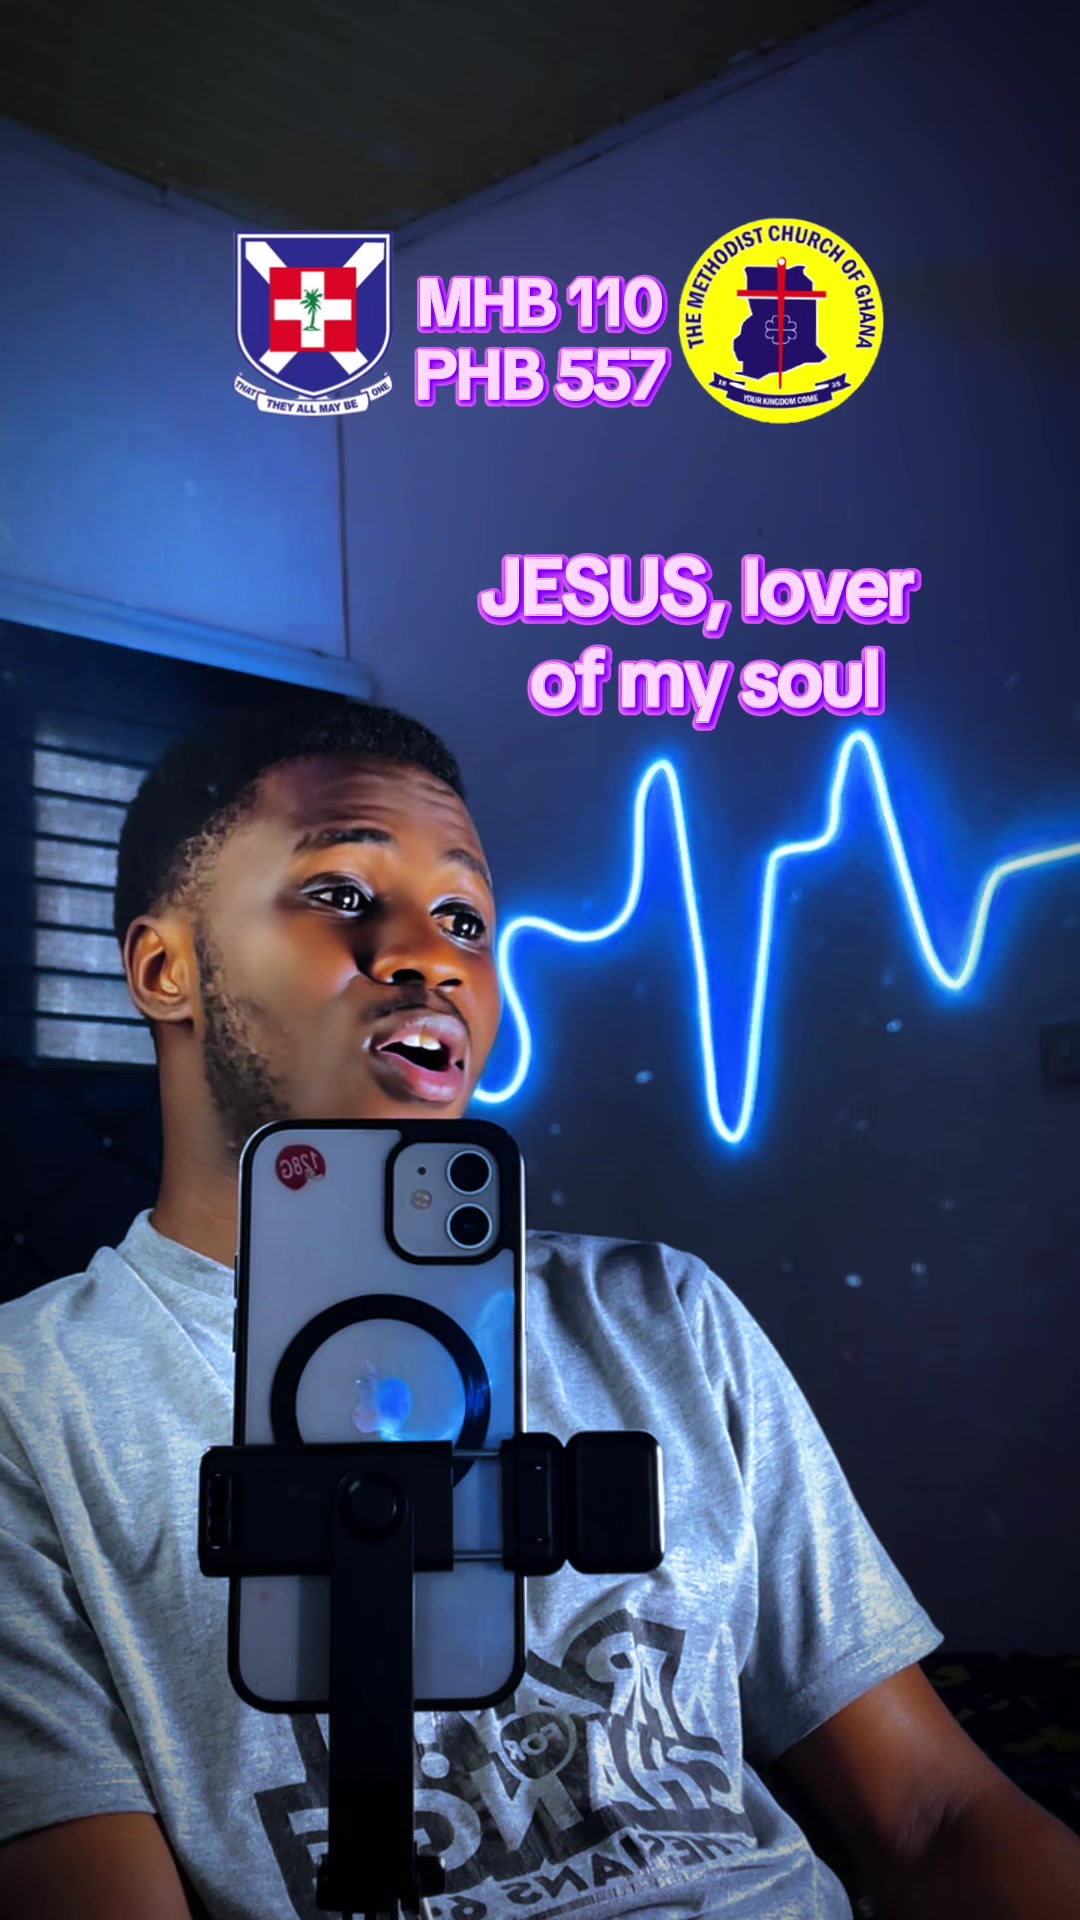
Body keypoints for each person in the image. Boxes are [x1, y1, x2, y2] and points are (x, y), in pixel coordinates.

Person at [0, 696, 1077, 1920]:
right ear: (165, 969)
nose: (433, 956)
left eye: (465, 917)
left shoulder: (665, 1314)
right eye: (343, 893)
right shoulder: (31, 1403)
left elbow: (936, 1814)